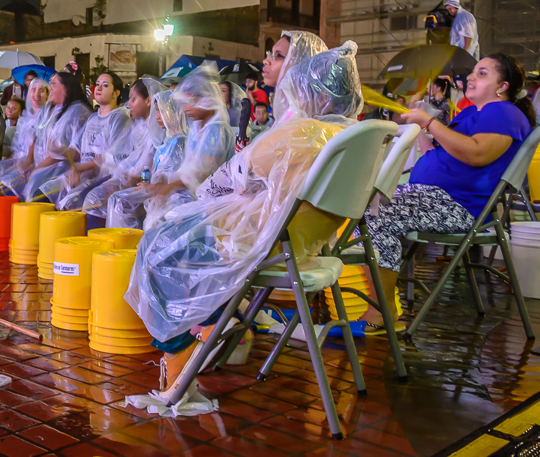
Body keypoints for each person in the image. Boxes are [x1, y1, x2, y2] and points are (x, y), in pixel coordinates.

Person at [127, 43, 364, 394]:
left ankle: (181, 364)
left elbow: (234, 176)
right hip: (303, 244)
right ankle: (212, 327)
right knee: (173, 236)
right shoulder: (352, 136)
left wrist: (199, 204)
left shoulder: (302, 132)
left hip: (259, 243)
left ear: (313, 92)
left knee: (159, 246)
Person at [358, 53, 535, 334]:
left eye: (483, 73)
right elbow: (440, 154)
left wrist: (429, 123)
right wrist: (423, 132)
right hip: (432, 197)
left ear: (502, 86)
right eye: (474, 72)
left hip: (458, 206)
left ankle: (382, 309)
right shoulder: (469, 113)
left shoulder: (503, 112)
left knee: (374, 210)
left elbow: (477, 153)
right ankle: (381, 303)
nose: (471, 78)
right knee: (363, 202)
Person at [139, 66, 235, 229]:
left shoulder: (216, 130)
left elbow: (202, 173)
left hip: (211, 201)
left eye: (190, 102)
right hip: (194, 195)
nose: (185, 109)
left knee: (160, 225)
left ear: (206, 99)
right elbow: (187, 170)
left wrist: (166, 187)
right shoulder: (198, 128)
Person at [81, 77, 164, 228]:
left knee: (105, 200)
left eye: (133, 99)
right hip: (126, 177)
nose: (129, 103)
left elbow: (145, 168)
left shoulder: (155, 129)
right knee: (88, 195)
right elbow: (121, 154)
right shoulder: (137, 125)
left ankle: (110, 245)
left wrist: (124, 185)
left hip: (144, 182)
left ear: (148, 100)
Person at [45, 72, 133, 213]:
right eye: (97, 84)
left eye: (105, 85)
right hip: (83, 174)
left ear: (116, 93)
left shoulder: (119, 118)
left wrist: (82, 168)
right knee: (45, 193)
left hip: (103, 177)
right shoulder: (92, 118)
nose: (98, 88)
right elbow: (77, 150)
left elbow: (111, 156)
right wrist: (60, 150)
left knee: (79, 200)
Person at [107, 88, 188, 229]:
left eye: (161, 111)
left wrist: (151, 187)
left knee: (120, 201)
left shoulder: (179, 143)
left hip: (172, 198)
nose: (157, 117)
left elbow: (174, 181)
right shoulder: (167, 141)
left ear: (176, 113)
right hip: (156, 191)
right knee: (117, 199)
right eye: (156, 111)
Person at [22, 72, 93, 203]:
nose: (51, 88)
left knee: (36, 182)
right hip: (51, 164)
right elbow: (38, 137)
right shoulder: (56, 109)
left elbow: (68, 151)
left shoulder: (77, 111)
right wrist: (30, 163)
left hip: (67, 168)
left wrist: (38, 169)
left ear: (66, 88)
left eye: (54, 84)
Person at [0, 79, 50, 194]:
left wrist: (28, 163)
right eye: (33, 90)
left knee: (8, 181)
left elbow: (35, 143)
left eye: (41, 90)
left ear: (48, 94)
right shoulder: (26, 118)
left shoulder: (48, 117)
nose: (36, 94)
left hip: (38, 163)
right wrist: (12, 158)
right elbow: (18, 145)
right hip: (20, 159)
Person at [264, 29, 329, 124]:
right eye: (271, 53)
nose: (266, 61)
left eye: (278, 55)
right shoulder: (291, 111)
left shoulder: (304, 116)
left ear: (302, 64)